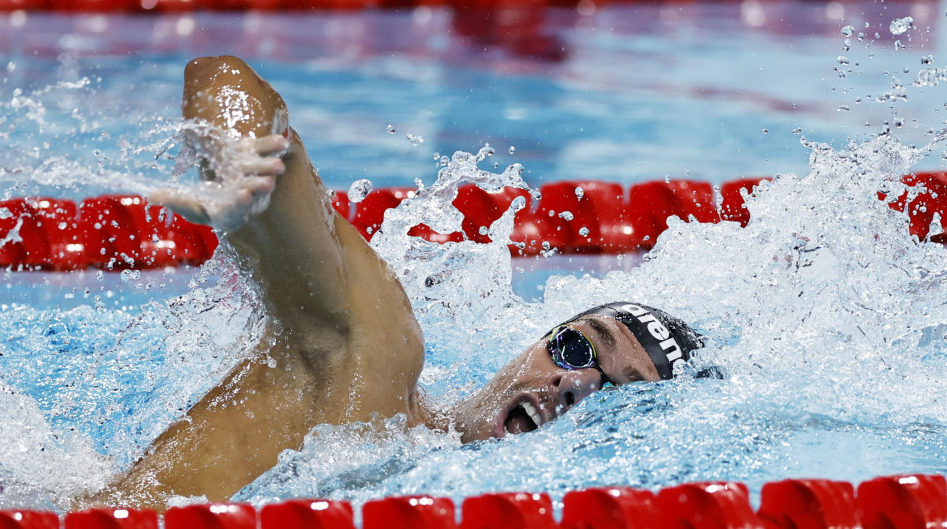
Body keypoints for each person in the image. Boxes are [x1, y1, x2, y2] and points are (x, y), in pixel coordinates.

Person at [91, 55, 703, 509]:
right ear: (537, 342)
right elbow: (225, 77)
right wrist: (235, 161)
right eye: (575, 349)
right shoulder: (371, 366)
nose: (573, 385)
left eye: (615, 397)